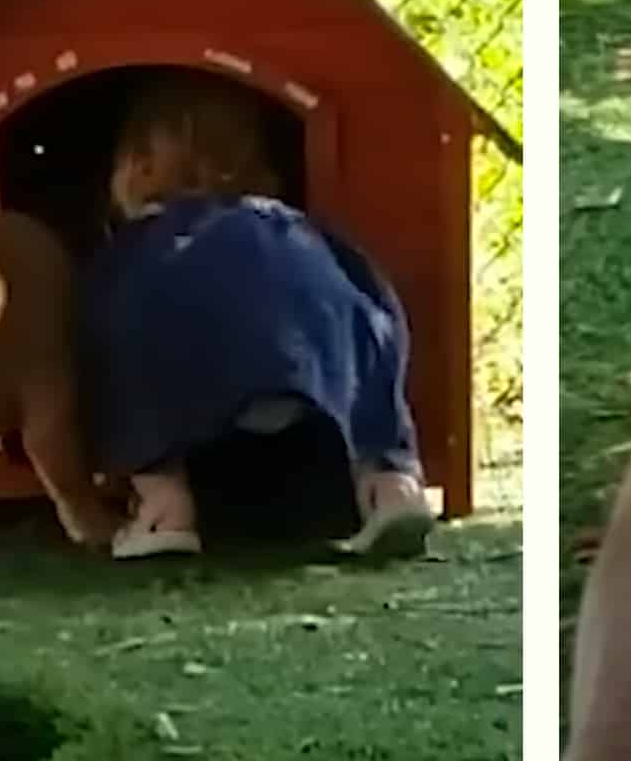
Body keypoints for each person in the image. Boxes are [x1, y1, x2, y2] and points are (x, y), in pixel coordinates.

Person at [83, 72, 434, 561]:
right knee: (362, 313)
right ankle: (389, 483)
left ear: (138, 169)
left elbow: (103, 331)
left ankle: (166, 508)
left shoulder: (142, 244)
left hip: (198, 392)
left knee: (118, 330)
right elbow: (372, 296)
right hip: (316, 377)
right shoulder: (289, 225)